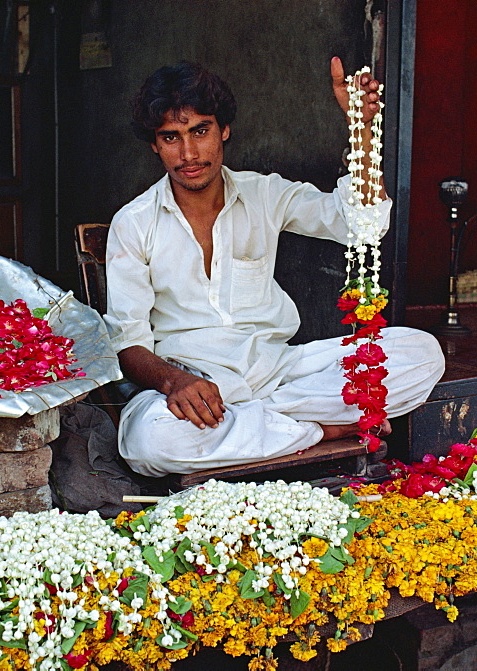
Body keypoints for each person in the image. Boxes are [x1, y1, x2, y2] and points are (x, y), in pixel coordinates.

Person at [104, 59, 444, 477]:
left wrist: (362, 129)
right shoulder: (134, 222)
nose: (188, 153)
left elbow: (363, 225)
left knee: (423, 353)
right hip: (193, 384)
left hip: (280, 372)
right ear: (155, 145)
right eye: (170, 137)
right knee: (151, 440)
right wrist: (175, 383)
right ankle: (319, 430)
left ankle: (264, 424)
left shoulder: (264, 193)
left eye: (200, 131)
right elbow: (128, 342)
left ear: (224, 130)